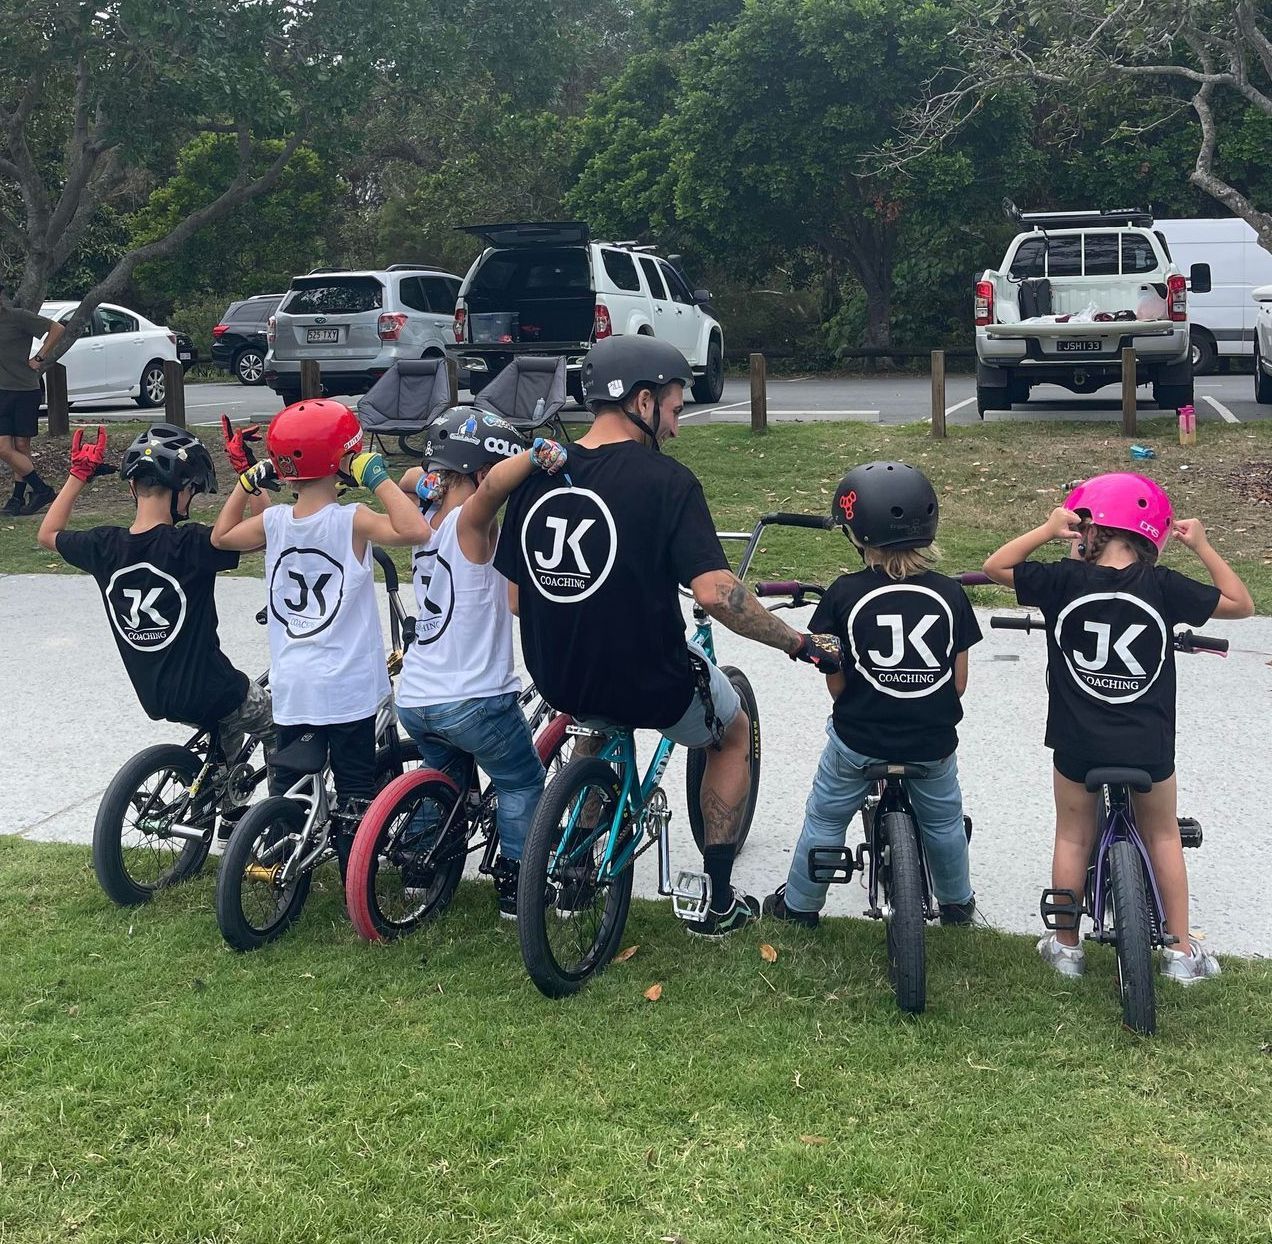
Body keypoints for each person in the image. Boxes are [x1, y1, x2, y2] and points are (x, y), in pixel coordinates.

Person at [492, 336, 842, 937]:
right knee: (732, 733)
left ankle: (574, 860)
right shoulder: (668, 482)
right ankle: (718, 900)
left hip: (558, 675)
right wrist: (797, 642)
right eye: (676, 410)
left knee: (597, 723)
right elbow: (714, 594)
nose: (677, 428)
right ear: (643, 401)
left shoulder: (535, 477)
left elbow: (518, 598)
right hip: (648, 681)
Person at [983, 472, 1253, 984]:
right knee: (1164, 835)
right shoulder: (1162, 586)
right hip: (1148, 742)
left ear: (1088, 530)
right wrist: (1202, 546)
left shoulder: (1063, 582)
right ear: (1149, 535)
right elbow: (1241, 604)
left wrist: (1045, 530)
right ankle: (1180, 952)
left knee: (1072, 835)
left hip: (1076, 740)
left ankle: (1065, 947)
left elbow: (995, 566)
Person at [211, 398, 430, 872]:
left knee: (288, 785)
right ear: (344, 459)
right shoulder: (351, 520)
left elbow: (221, 536)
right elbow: (416, 530)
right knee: (355, 789)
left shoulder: (273, 522)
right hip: (347, 692)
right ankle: (357, 869)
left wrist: (246, 481)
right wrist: (376, 477)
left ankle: (283, 860)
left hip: (294, 688)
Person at [763, 461, 981, 929]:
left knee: (825, 817)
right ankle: (958, 903)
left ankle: (800, 906)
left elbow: (836, 682)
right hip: (932, 743)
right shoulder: (951, 594)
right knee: (943, 824)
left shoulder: (842, 594)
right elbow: (958, 682)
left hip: (858, 741)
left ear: (857, 534)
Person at [37, 422, 275, 807]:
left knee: (225, 731)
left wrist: (79, 475)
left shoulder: (104, 545)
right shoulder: (192, 543)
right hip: (213, 688)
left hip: (155, 693)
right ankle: (284, 819)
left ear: (133, 487)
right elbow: (266, 533)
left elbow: (48, 534)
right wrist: (248, 476)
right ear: (182, 490)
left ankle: (226, 808)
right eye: (192, 491)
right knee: (278, 725)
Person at [394, 407, 568, 918]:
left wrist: (429, 479)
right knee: (520, 780)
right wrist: (534, 458)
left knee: (441, 774)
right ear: (477, 473)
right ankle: (516, 885)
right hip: (474, 698)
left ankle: (418, 872)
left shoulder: (424, 520)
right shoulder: (472, 525)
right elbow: (491, 490)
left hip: (418, 699)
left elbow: (415, 478)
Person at [0, 281, 62, 516]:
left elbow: (57, 328)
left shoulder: (17, 317)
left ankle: (17, 498)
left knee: (22, 445)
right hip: (1, 392)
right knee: (4, 448)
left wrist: (40, 357)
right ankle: (42, 489)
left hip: (24, 389)